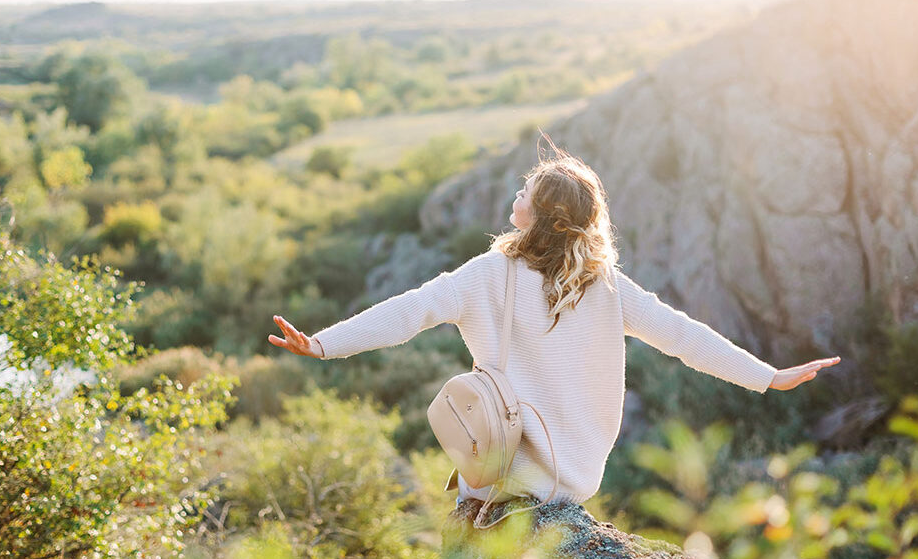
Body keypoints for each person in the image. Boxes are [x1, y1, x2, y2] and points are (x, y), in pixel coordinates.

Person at [268, 141, 840, 510]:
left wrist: (324, 344)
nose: (515, 195)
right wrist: (768, 376)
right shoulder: (608, 285)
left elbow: (409, 311)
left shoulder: (491, 273)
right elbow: (685, 338)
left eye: (525, 191)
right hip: (566, 486)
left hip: (494, 469)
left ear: (540, 214)